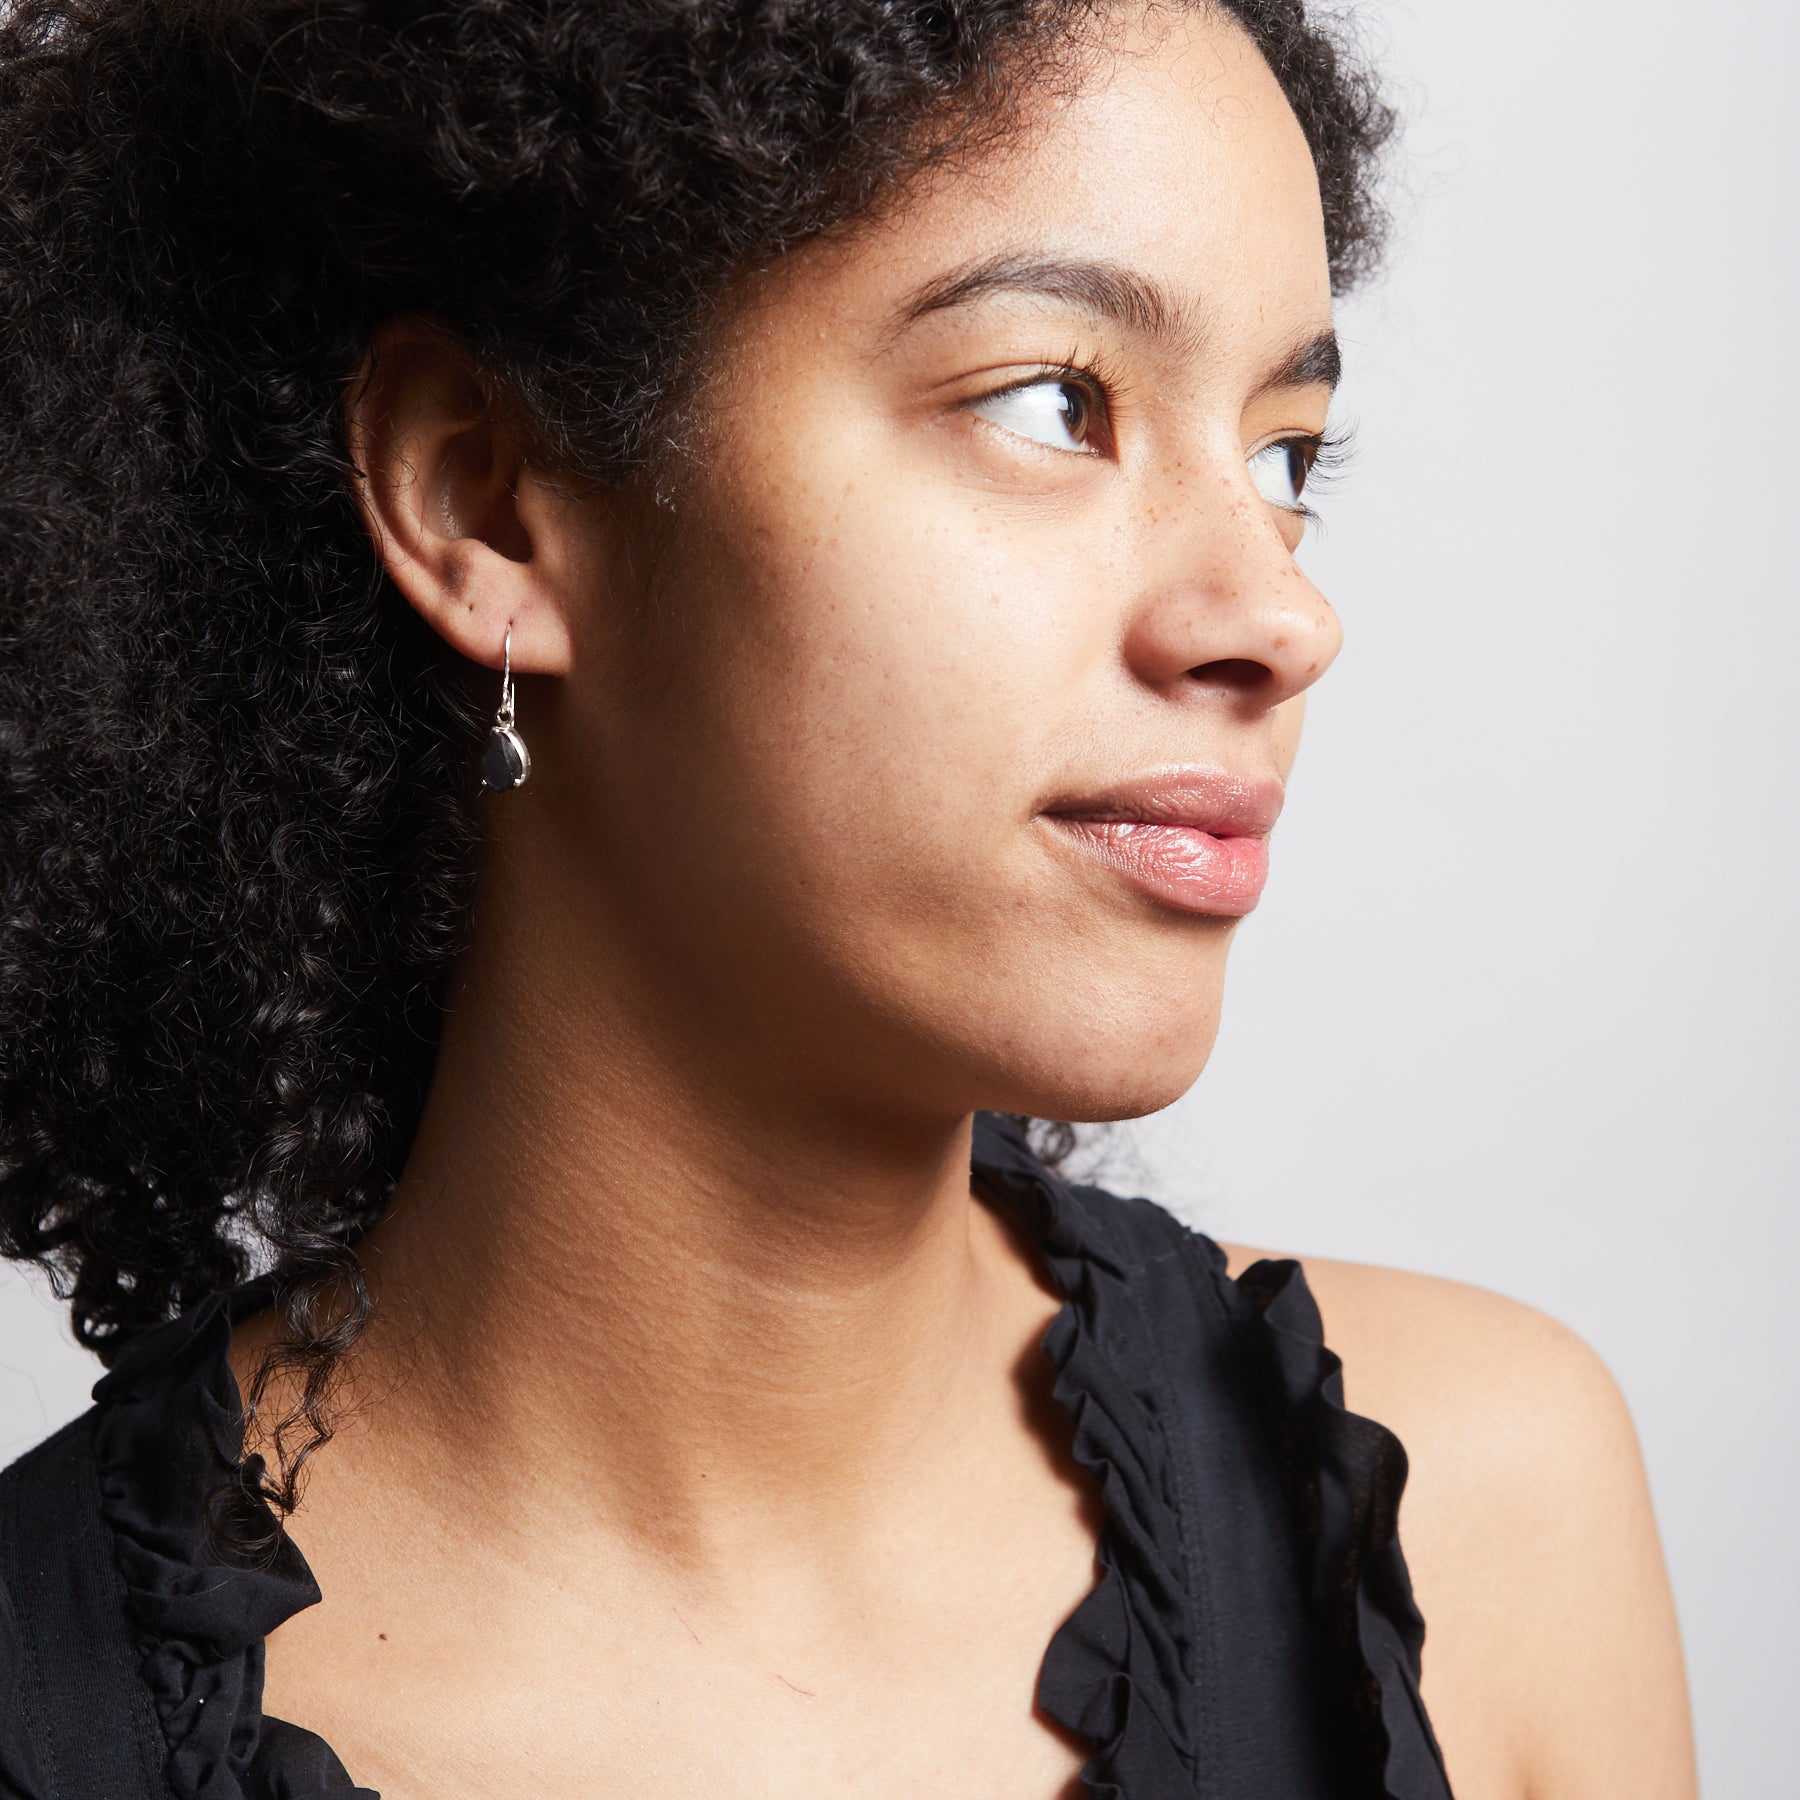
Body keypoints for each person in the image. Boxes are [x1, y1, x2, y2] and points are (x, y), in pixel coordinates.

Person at [0, 1, 1696, 1796]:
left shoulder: (1469, 1515)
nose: (1280, 619)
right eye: (1058, 403)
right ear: (486, 506)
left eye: (1287, 458)